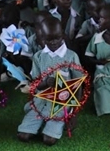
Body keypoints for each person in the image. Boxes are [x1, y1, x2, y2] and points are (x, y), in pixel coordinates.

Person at [17, 16, 84, 145]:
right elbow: (36, 84)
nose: (54, 42)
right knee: (23, 136)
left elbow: (78, 84)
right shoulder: (39, 57)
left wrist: (74, 113)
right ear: (42, 37)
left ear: (62, 35)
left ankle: (52, 124)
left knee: (49, 140)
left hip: (61, 105)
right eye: (49, 39)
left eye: (57, 37)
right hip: (40, 102)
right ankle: (40, 123)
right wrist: (46, 82)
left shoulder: (71, 56)